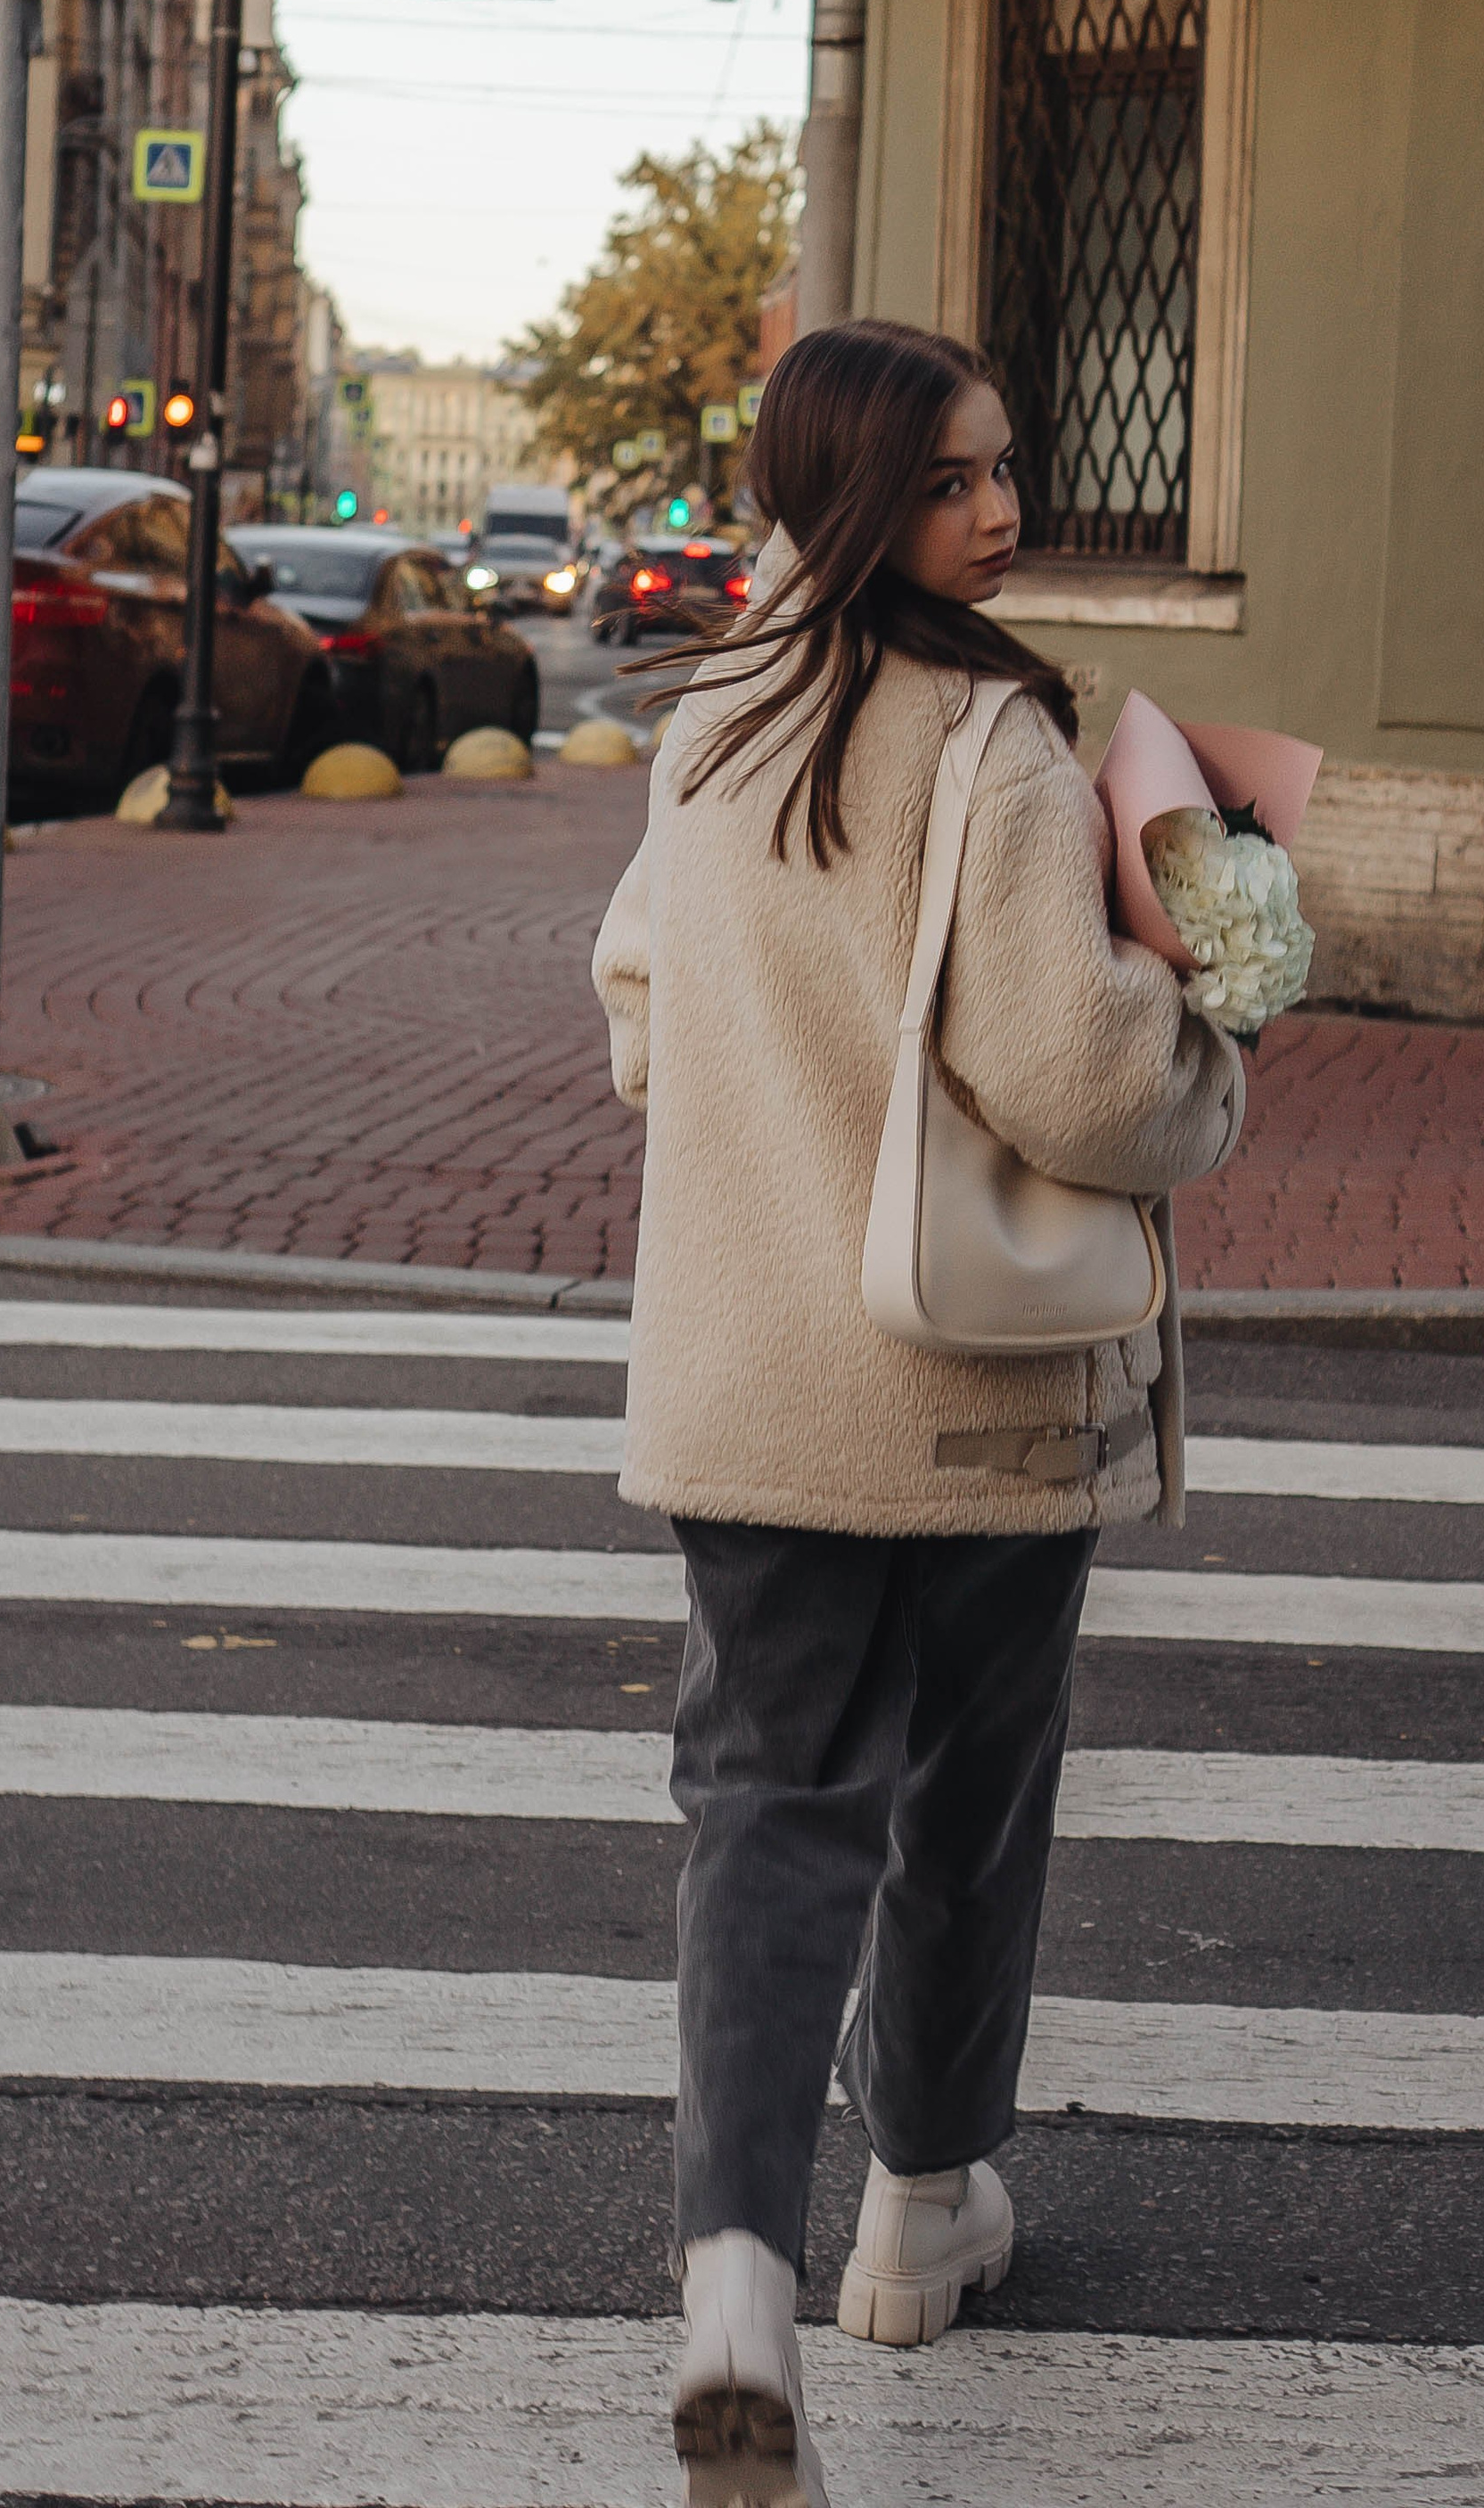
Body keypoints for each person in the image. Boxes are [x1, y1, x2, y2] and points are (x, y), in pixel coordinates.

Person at [591, 319, 1245, 2508]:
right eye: (957, 478)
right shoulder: (998, 742)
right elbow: (1075, 1079)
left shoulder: (715, 713)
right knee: (962, 1804)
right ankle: (918, 2205)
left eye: (1002, 469)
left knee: (763, 1812)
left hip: (749, 1375)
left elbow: (634, 997)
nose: (1002, 512)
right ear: (859, 493)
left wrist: (767, 1111)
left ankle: (732, 2294)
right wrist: (1213, 1045)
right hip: (973, 1388)